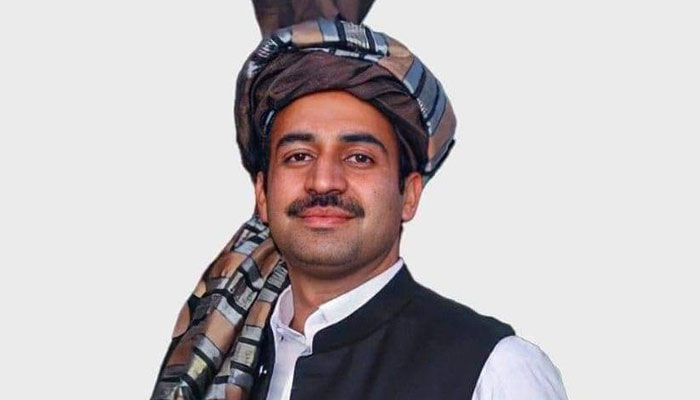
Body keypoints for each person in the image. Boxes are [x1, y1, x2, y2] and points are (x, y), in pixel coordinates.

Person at [151, 1, 568, 400]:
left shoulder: (494, 370)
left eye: (359, 158)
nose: (323, 181)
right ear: (262, 194)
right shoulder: (224, 366)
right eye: (299, 156)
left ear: (409, 194)